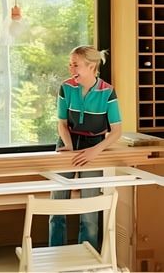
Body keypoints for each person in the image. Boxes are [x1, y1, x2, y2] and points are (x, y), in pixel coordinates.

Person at [49, 45, 122, 250]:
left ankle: (87, 259)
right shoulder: (66, 87)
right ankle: (56, 256)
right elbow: (62, 123)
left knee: (89, 211)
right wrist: (70, 147)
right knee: (57, 208)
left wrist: (95, 151)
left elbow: (116, 131)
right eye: (70, 64)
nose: (71, 69)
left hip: (95, 147)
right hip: (67, 143)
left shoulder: (107, 92)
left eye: (76, 65)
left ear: (91, 66)